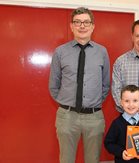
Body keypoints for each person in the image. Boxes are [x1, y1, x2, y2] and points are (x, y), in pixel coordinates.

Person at [49, 7, 110, 163]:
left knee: (93, 160)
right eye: (77, 22)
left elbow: (105, 85)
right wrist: (67, 103)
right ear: (71, 26)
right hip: (67, 117)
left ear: (92, 26)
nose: (82, 26)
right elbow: (53, 86)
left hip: (94, 117)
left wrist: (92, 104)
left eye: (86, 22)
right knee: (66, 159)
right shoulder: (60, 52)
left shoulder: (102, 52)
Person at [104, 85, 139, 163]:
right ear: (121, 102)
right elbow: (108, 143)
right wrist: (121, 152)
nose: (131, 105)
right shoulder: (117, 124)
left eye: (135, 101)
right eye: (127, 101)